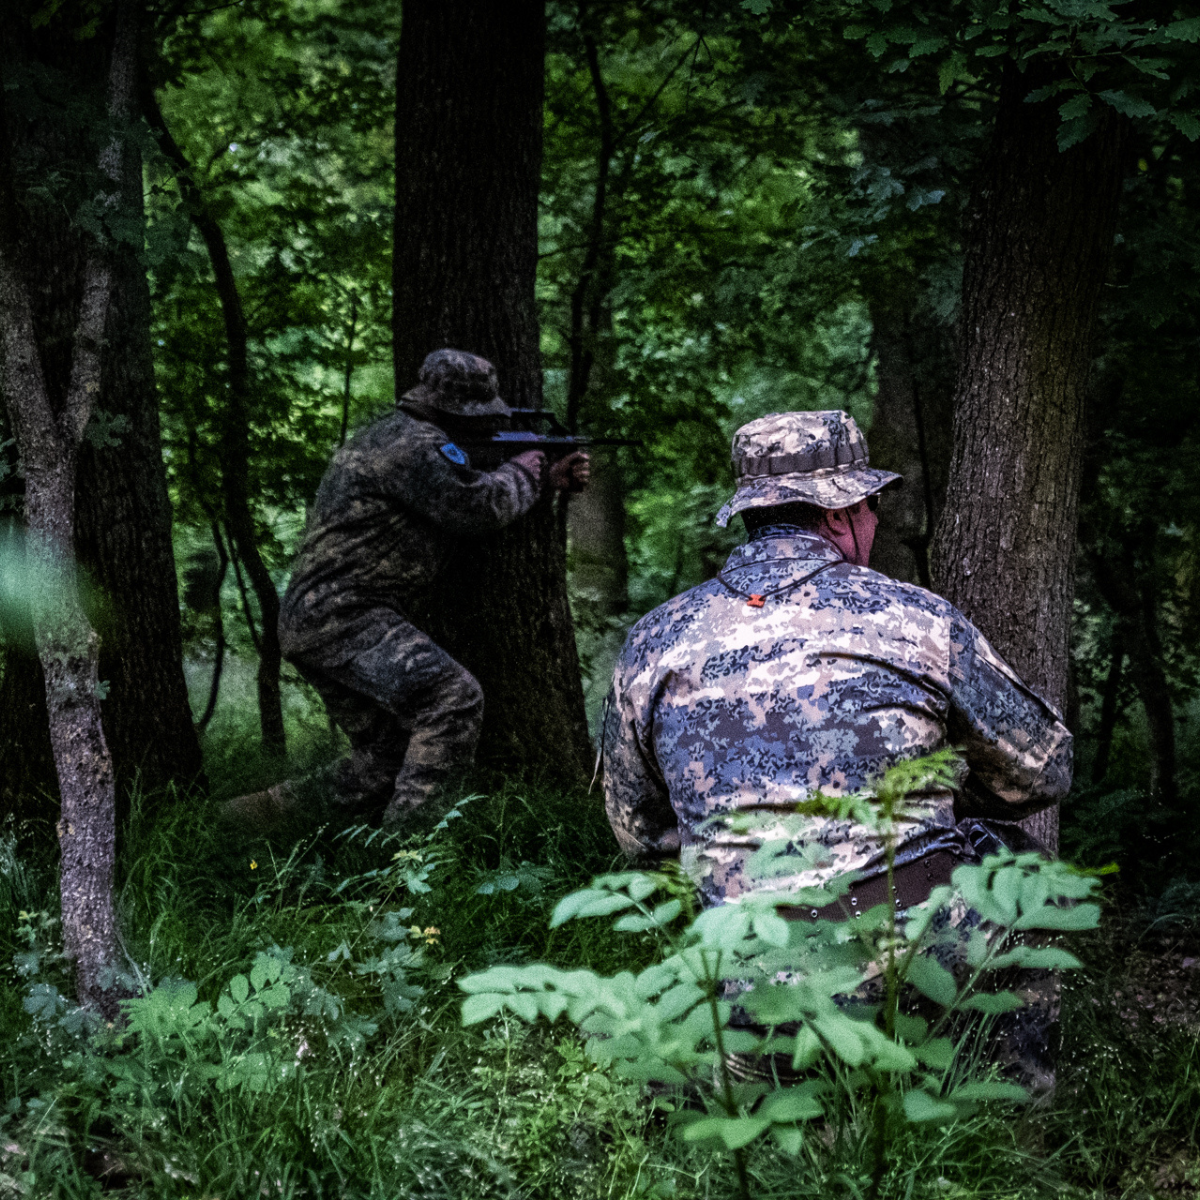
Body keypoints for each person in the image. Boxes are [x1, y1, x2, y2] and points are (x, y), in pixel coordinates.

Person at [600, 409, 1071, 1082]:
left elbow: (641, 834)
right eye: (872, 505)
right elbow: (1044, 772)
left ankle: (762, 1078)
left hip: (748, 973)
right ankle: (1008, 1110)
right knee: (1023, 870)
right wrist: (940, 793)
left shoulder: (654, 641)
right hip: (907, 960)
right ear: (842, 511)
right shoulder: (917, 620)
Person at [224, 348, 588, 832]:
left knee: (385, 757)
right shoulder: (415, 445)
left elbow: (461, 489)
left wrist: (543, 479)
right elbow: (474, 507)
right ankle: (410, 855)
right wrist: (526, 471)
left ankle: (241, 823)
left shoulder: (392, 436)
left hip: (321, 617)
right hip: (344, 616)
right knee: (453, 699)